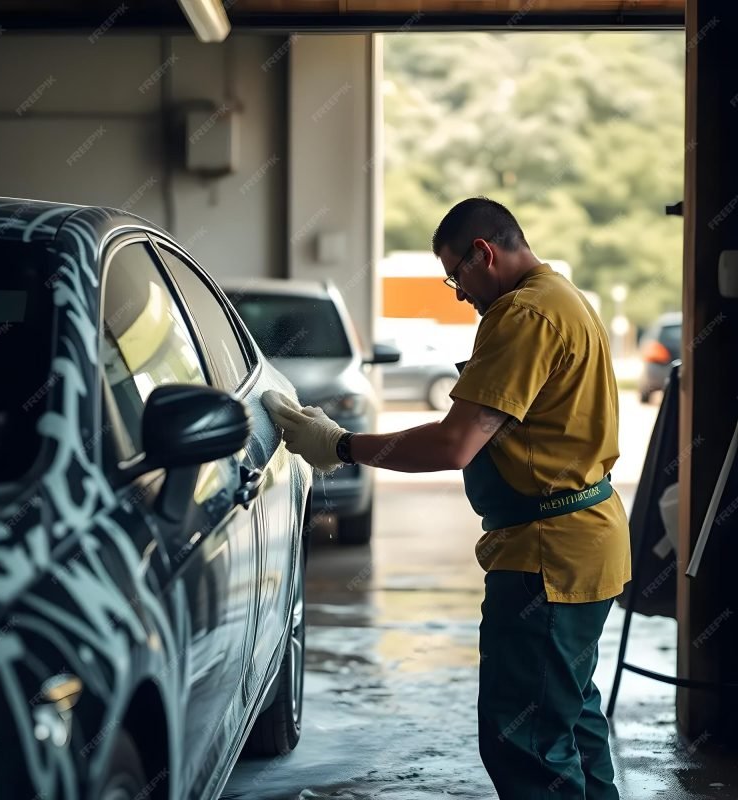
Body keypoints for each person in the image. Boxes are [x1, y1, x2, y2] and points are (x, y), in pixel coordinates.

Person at [262, 196, 630, 800]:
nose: (457, 293)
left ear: (483, 252)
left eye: (455, 275)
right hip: (586, 545)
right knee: (570, 719)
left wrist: (342, 445)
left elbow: (454, 443)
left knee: (527, 742)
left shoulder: (524, 315)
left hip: (548, 558)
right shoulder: (563, 298)